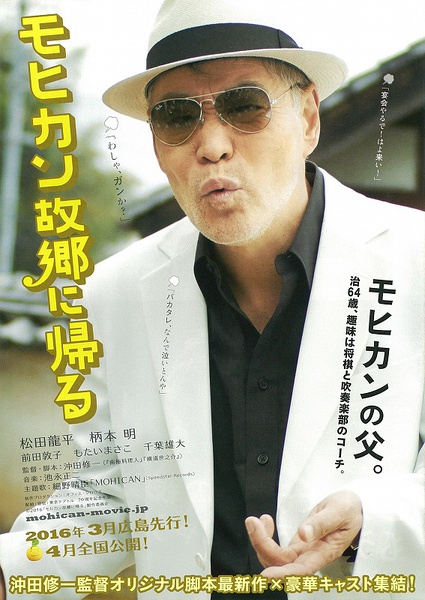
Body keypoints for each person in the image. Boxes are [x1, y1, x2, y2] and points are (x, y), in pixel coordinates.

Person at [0, 0, 424, 598]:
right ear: (156, 144)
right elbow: (112, 492)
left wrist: (370, 523)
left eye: (245, 105)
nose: (212, 145)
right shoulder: (112, 294)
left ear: (308, 118)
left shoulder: (415, 261)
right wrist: (11, 569)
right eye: (176, 116)